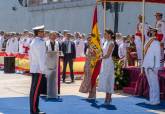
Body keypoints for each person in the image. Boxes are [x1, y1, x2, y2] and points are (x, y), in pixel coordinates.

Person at [29, 25, 46, 114]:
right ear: (38, 33)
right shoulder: (40, 42)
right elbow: (41, 57)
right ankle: (34, 110)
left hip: (34, 68)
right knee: (36, 91)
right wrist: (43, 70)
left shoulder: (33, 42)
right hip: (39, 69)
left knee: (34, 90)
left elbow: (31, 57)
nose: (43, 33)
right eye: (42, 32)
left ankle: (35, 109)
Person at [142, 27, 161, 105]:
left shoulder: (156, 42)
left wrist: (155, 66)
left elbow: (157, 55)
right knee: (151, 84)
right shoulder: (149, 40)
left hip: (152, 65)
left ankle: (156, 100)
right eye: (149, 30)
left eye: (151, 31)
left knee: (154, 83)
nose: (149, 31)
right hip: (147, 64)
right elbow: (145, 50)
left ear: (155, 32)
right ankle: (152, 99)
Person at [98, 29, 115, 105]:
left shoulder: (111, 43)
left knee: (109, 79)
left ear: (109, 35)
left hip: (108, 62)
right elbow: (103, 52)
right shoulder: (105, 42)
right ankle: (107, 97)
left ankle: (109, 98)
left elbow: (108, 55)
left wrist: (101, 58)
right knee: (105, 79)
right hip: (104, 62)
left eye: (105, 34)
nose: (104, 35)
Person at [79, 33, 96, 99]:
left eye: (90, 40)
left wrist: (93, 53)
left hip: (91, 65)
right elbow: (86, 57)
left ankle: (92, 94)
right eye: (88, 40)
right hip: (87, 64)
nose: (88, 42)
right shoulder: (88, 48)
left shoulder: (94, 47)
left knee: (91, 79)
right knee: (87, 78)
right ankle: (89, 93)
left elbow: (95, 55)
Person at [45, 31, 59, 99]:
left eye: (55, 35)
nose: (54, 36)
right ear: (49, 36)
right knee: (48, 77)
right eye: (52, 35)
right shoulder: (46, 43)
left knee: (54, 78)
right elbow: (44, 52)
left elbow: (58, 51)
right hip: (48, 61)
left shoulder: (57, 43)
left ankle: (53, 92)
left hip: (55, 61)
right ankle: (47, 92)